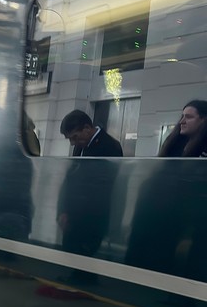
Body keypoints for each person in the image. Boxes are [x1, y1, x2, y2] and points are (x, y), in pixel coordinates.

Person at [126, 100, 207, 280]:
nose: (182, 121)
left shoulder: (201, 151)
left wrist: (189, 232)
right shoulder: (175, 143)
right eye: (182, 116)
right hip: (160, 214)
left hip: (184, 219)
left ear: (203, 120)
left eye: (189, 117)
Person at [57, 109, 123, 257]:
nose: (73, 143)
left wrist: (73, 213)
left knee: (86, 255)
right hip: (75, 215)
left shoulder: (110, 146)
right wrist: (64, 210)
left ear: (87, 128)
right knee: (71, 252)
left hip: (92, 217)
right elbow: (71, 179)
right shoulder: (81, 145)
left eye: (75, 137)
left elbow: (102, 188)